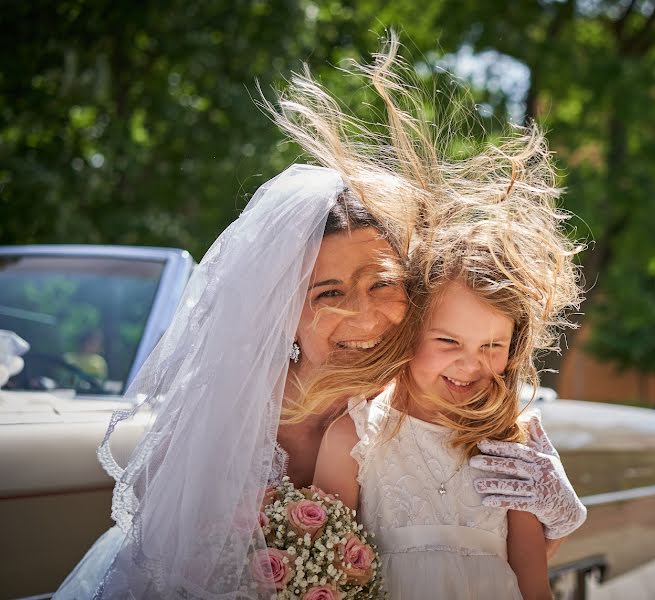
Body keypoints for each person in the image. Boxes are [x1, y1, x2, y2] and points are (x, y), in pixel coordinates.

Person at [53, 36, 585, 599]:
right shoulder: (230, 418)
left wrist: (556, 503)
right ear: (281, 310)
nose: (364, 316)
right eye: (329, 293)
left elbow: (497, 552)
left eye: (382, 283)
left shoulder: (439, 392)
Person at [300, 46, 586, 598]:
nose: (471, 363)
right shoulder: (354, 435)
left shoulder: (508, 441)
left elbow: (532, 578)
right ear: (410, 330)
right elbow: (334, 570)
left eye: (493, 345)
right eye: (448, 340)